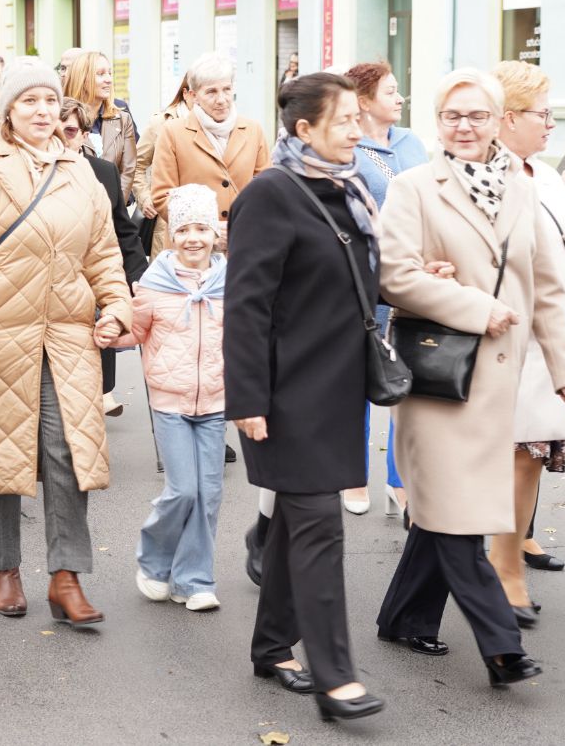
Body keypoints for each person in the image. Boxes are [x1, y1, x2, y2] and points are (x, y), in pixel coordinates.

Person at [374, 68, 565, 688]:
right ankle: (501, 645)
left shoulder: (524, 186)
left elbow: (546, 288)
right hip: (438, 371)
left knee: (444, 504)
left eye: (477, 116)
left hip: (499, 379)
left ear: (498, 121)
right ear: (437, 123)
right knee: (458, 514)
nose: (463, 127)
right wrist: (475, 306)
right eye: (451, 116)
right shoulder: (413, 187)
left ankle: (404, 617)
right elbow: (395, 275)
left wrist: (564, 365)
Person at [0, 58, 131, 626]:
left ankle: (66, 576)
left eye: (50, 101)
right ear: (9, 111)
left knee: (68, 451)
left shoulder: (81, 173)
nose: (43, 111)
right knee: (0, 455)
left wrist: (117, 308)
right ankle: (5, 570)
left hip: (69, 337)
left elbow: (103, 253)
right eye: (30, 102)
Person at [224, 72, 385, 723]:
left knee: (297, 521)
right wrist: (248, 398)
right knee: (319, 526)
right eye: (346, 119)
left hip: (336, 388)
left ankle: (271, 644)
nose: (359, 128)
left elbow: (351, 277)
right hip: (285, 394)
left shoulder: (346, 188)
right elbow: (246, 306)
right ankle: (335, 676)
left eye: (359, 117)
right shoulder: (270, 194)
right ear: (305, 130)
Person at [491, 60, 565, 620]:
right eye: (542, 113)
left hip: (553, 337)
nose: (551, 124)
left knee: (532, 457)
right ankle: (501, 569)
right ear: (507, 119)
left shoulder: (547, 176)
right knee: (512, 456)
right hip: (514, 335)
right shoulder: (491, 173)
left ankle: (505, 561)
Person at [118, 184, 227, 612]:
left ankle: (194, 580)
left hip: (216, 400)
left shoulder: (229, 281)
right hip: (170, 402)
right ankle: (154, 560)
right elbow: (136, 330)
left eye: (202, 228)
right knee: (182, 490)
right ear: (171, 234)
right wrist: (110, 331)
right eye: (184, 229)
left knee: (210, 493)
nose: (194, 238)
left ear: (216, 231)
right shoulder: (155, 282)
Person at [337, 62, 430, 517]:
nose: (400, 98)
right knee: (358, 377)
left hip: (413, 275)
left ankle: (400, 479)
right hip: (362, 279)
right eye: (391, 92)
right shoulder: (350, 146)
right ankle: (353, 476)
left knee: (405, 378)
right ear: (364, 99)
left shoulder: (413, 142)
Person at [61, 98, 148, 417]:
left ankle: (100, 395)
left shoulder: (103, 172)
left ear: (84, 135)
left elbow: (123, 231)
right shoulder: (32, 172)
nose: (63, 140)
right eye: (56, 133)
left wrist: (139, 275)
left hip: (92, 279)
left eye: (70, 132)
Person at [150, 52, 270, 239]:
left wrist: (243, 227)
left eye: (227, 89)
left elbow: (265, 190)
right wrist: (207, 231)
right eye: (211, 92)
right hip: (191, 249)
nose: (221, 99)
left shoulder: (253, 130)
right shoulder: (173, 132)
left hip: (243, 242)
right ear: (193, 95)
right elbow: (163, 196)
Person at [63, 51, 138, 200]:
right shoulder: (63, 118)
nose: (109, 80)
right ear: (82, 79)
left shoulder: (122, 119)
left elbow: (128, 170)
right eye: (101, 74)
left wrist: (114, 208)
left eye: (110, 73)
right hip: (75, 206)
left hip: (113, 212)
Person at [134, 75, 193, 257]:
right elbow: (136, 165)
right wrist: (145, 198)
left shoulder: (219, 127)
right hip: (167, 220)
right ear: (186, 93)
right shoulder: (161, 122)